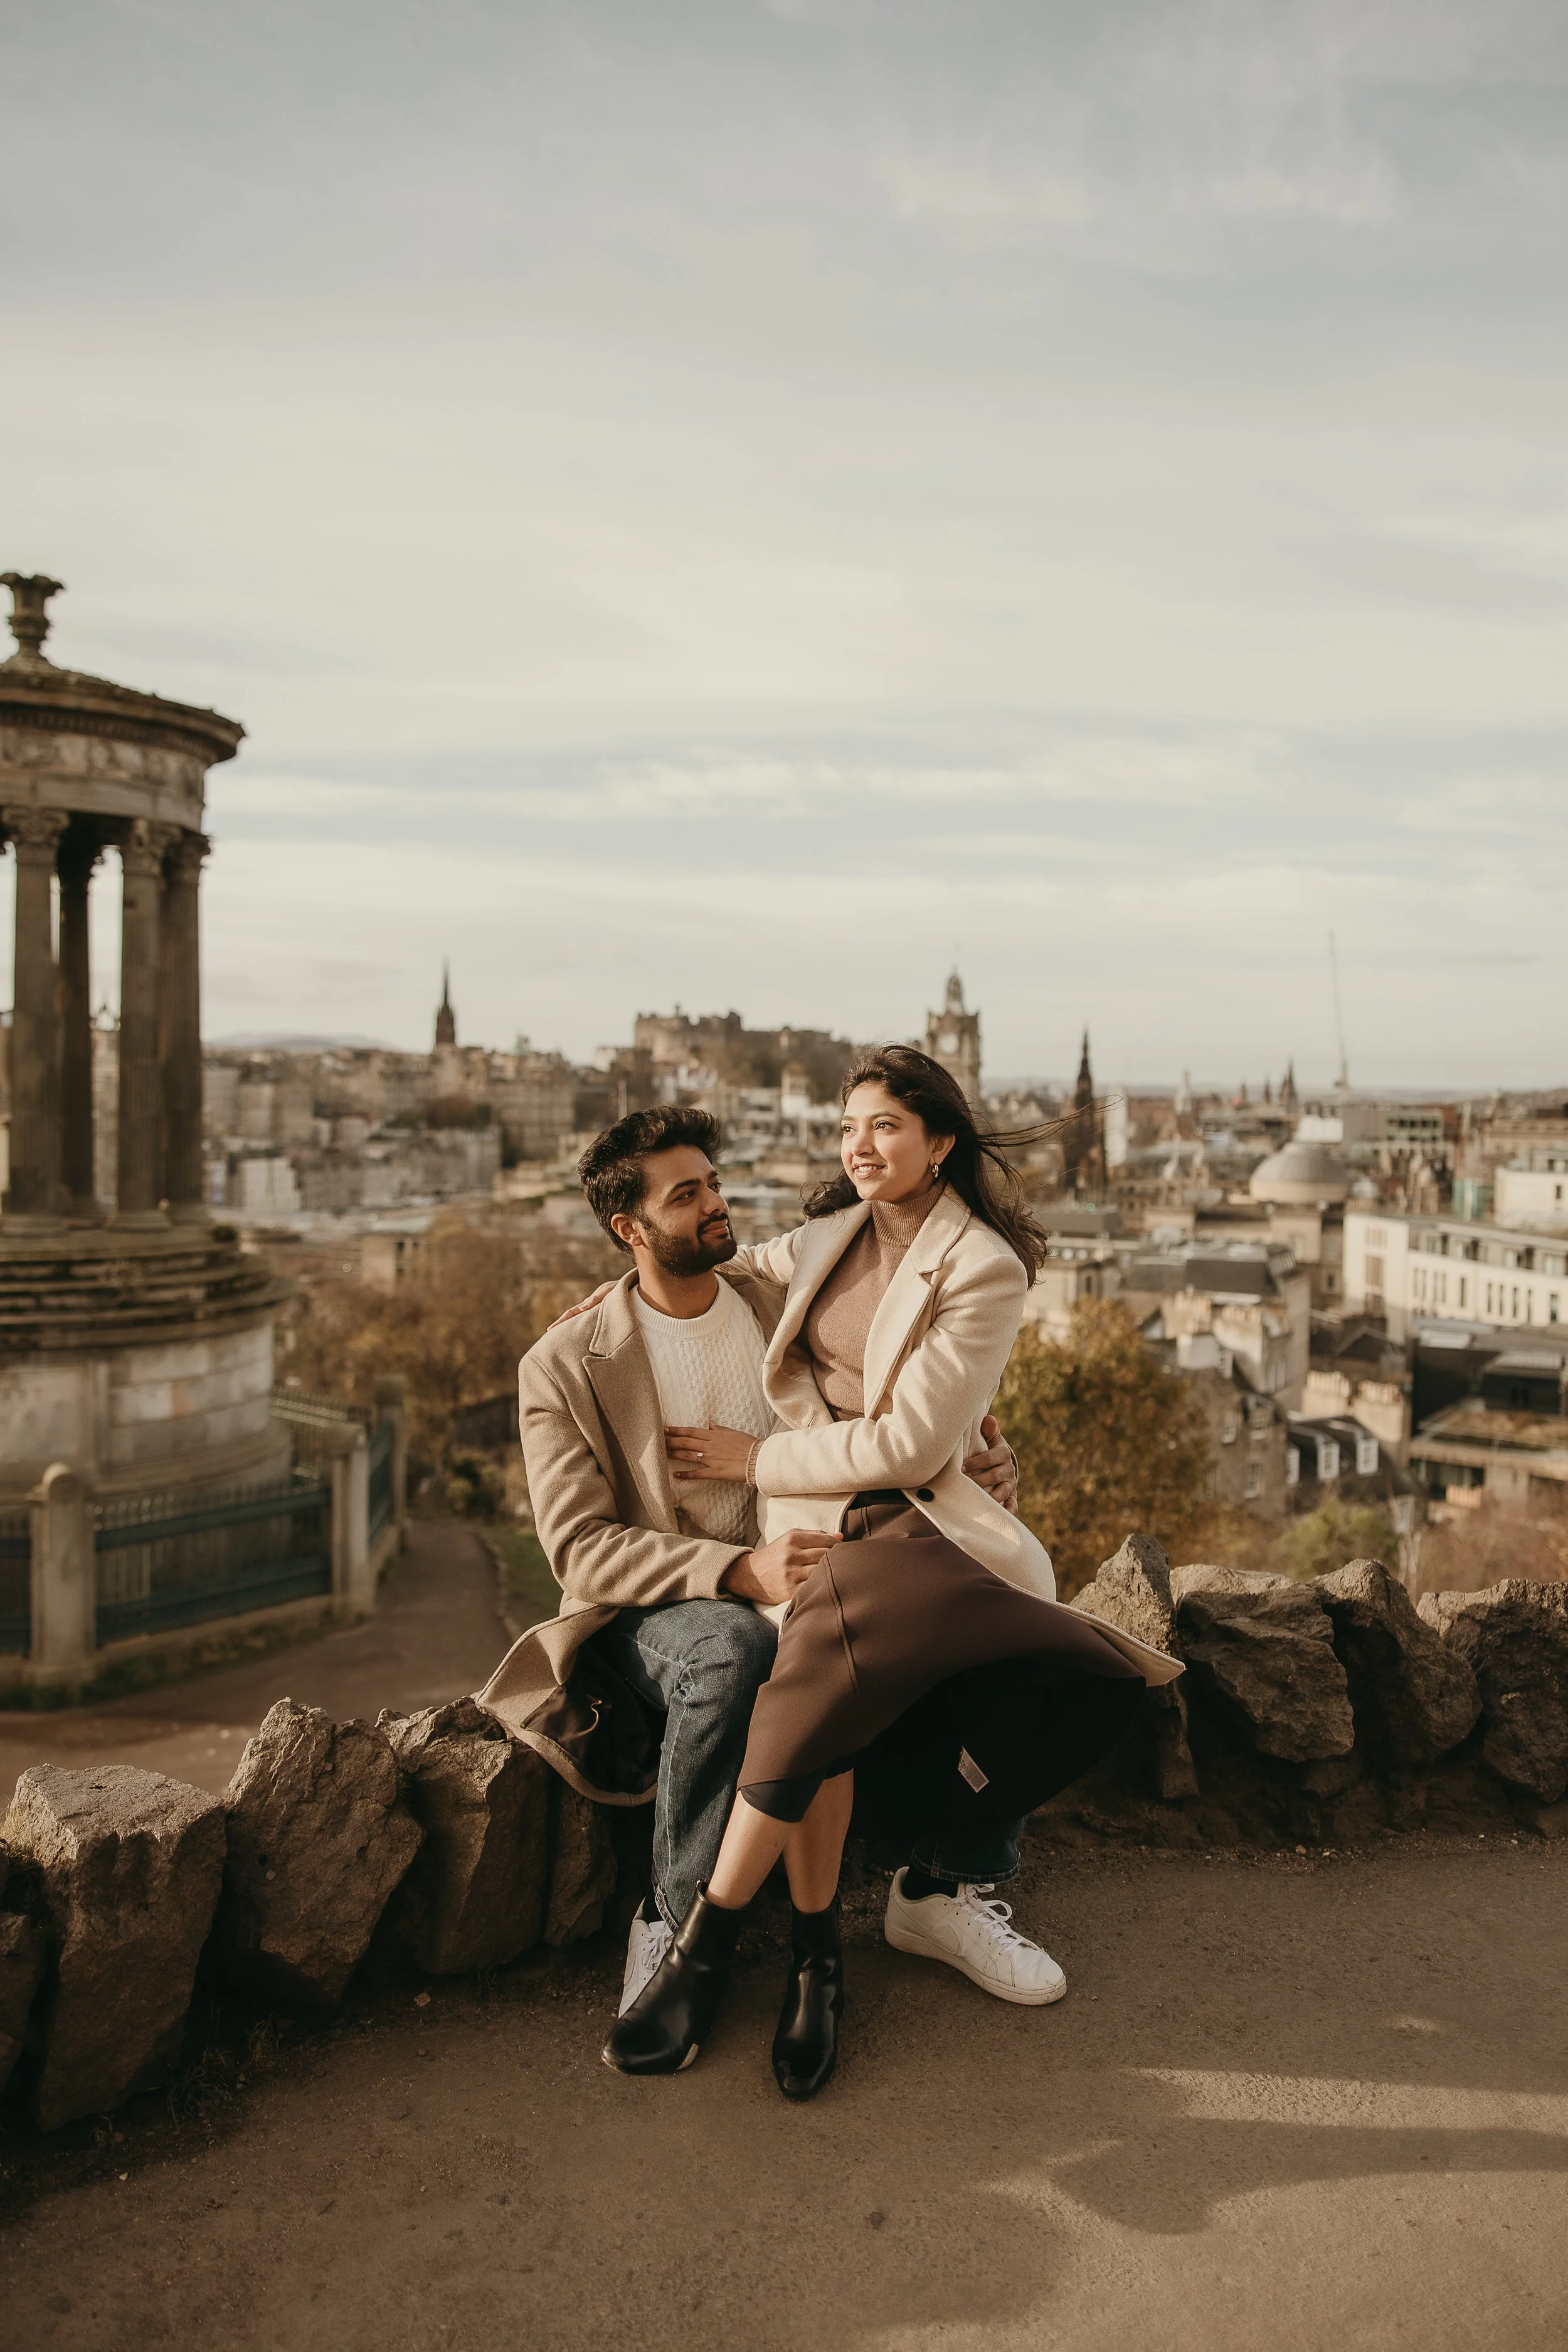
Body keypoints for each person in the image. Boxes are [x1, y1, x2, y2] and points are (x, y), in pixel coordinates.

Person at [601, 1047, 1182, 2099]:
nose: (859, 1148)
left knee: (1084, 1676)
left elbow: (915, 1445)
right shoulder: (826, 1235)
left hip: (921, 1523)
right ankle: (817, 1952)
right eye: (846, 1129)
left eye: (883, 1127)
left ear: (940, 1141)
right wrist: (604, 1308)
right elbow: (712, 1266)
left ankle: (719, 1938)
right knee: (826, 1639)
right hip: (826, 1528)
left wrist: (753, 1460)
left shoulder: (986, 1264)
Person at [475, 1103, 1031, 2031]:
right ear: (630, 1229)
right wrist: (739, 1572)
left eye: (715, 1184)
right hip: (653, 1608)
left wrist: (986, 1457)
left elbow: (899, 1409)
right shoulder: (567, 1361)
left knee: (984, 1608)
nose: (715, 1206)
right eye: (685, 1195)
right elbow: (579, 1547)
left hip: (811, 1571)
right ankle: (673, 1916)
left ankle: (942, 1885)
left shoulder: (784, 1299)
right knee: (734, 1653)